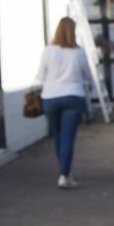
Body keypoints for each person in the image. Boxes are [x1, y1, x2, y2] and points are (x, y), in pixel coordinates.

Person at [36, 17, 92, 189]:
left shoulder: (48, 50)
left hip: (50, 97)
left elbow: (40, 75)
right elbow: (87, 76)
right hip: (73, 96)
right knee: (68, 137)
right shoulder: (79, 52)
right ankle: (64, 174)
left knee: (58, 136)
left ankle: (64, 172)